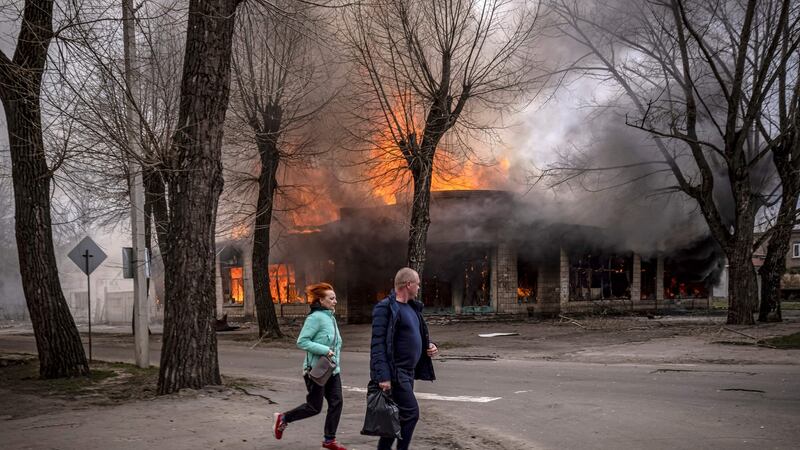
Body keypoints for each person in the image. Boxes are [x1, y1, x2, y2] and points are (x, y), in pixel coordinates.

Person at [370, 267, 439, 450]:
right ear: (408, 284)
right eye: (417, 284)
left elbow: (416, 334)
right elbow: (378, 344)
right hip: (396, 372)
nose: (419, 287)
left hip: (409, 372)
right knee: (411, 414)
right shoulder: (386, 308)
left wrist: (429, 345)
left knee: (397, 417)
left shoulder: (412, 308)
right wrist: (383, 376)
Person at [273, 282, 347, 450]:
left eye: (335, 298)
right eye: (331, 298)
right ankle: (284, 418)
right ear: (321, 300)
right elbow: (302, 341)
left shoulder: (331, 318)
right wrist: (325, 350)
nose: (335, 301)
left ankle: (329, 440)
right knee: (314, 407)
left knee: (337, 402)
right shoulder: (315, 318)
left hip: (332, 370)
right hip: (316, 371)